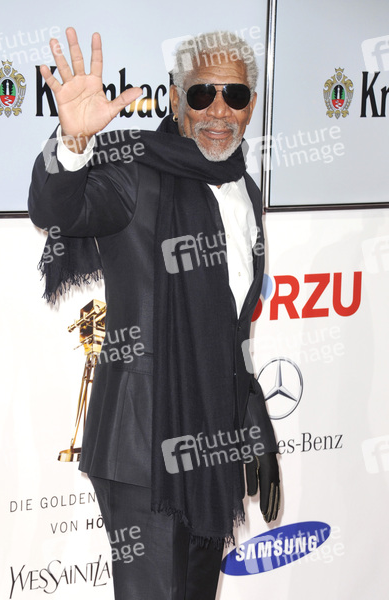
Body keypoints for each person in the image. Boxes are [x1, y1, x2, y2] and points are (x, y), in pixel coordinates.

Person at [29, 27, 280, 600]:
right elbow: (56, 209)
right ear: (174, 98)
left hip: (213, 442)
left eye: (236, 95)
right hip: (141, 447)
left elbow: (231, 329)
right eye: (202, 94)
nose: (219, 111)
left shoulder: (244, 188)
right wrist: (73, 143)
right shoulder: (133, 171)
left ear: (252, 106)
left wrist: (251, 418)